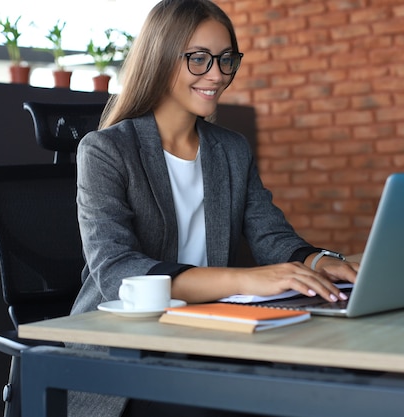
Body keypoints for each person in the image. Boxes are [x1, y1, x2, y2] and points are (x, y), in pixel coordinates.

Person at [69, 0, 358, 415]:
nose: (218, 75)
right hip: (125, 351)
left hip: (210, 334)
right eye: (199, 59)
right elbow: (117, 270)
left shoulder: (231, 150)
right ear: (162, 57)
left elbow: (270, 236)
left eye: (226, 60)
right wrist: (245, 281)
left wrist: (318, 262)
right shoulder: (106, 150)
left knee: (319, 384)